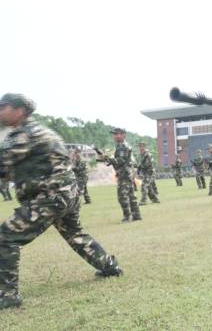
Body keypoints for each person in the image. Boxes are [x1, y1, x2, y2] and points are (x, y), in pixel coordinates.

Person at [0, 93, 122, 310]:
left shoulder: (23, 134)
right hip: (68, 194)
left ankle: (7, 296)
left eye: (3, 107)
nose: (0, 111)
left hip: (48, 198)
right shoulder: (41, 130)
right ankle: (109, 266)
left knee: (5, 238)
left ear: (19, 110)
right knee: (75, 235)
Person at [100, 128, 142, 221]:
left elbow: (121, 161)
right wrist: (107, 159)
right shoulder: (120, 145)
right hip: (127, 174)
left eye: (117, 134)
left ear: (123, 135)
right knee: (131, 196)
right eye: (114, 134)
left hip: (124, 174)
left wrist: (108, 159)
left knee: (122, 196)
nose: (114, 136)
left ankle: (127, 216)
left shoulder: (123, 146)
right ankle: (136, 215)